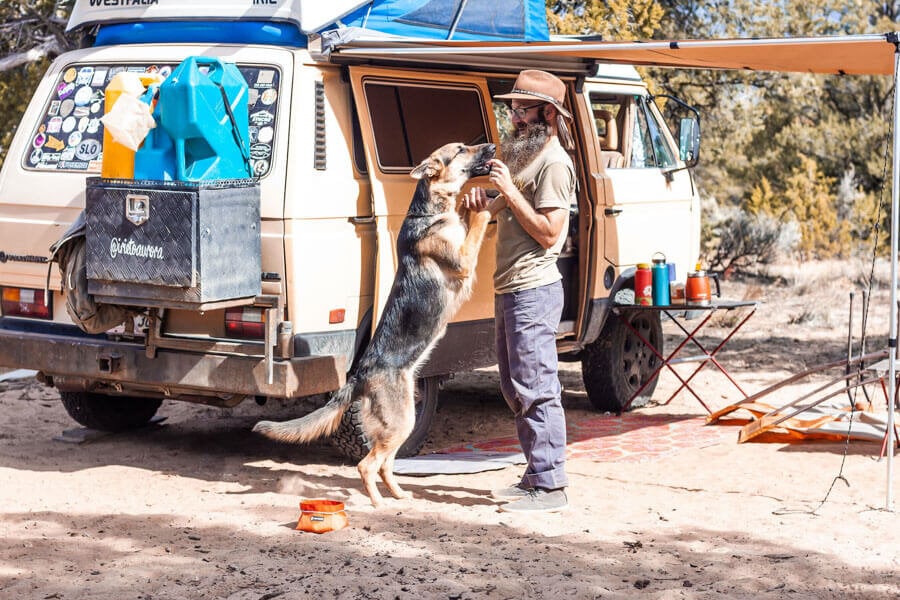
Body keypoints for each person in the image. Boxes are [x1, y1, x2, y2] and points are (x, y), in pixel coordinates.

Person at [464, 70, 576, 513]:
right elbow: (501, 207)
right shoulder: (524, 154)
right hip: (511, 287)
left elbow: (551, 234)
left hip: (534, 289)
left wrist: (508, 189)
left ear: (548, 113)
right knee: (515, 387)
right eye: (511, 109)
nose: (513, 118)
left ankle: (551, 486)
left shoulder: (554, 164)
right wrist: (483, 203)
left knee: (536, 386)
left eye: (522, 110)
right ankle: (536, 475)